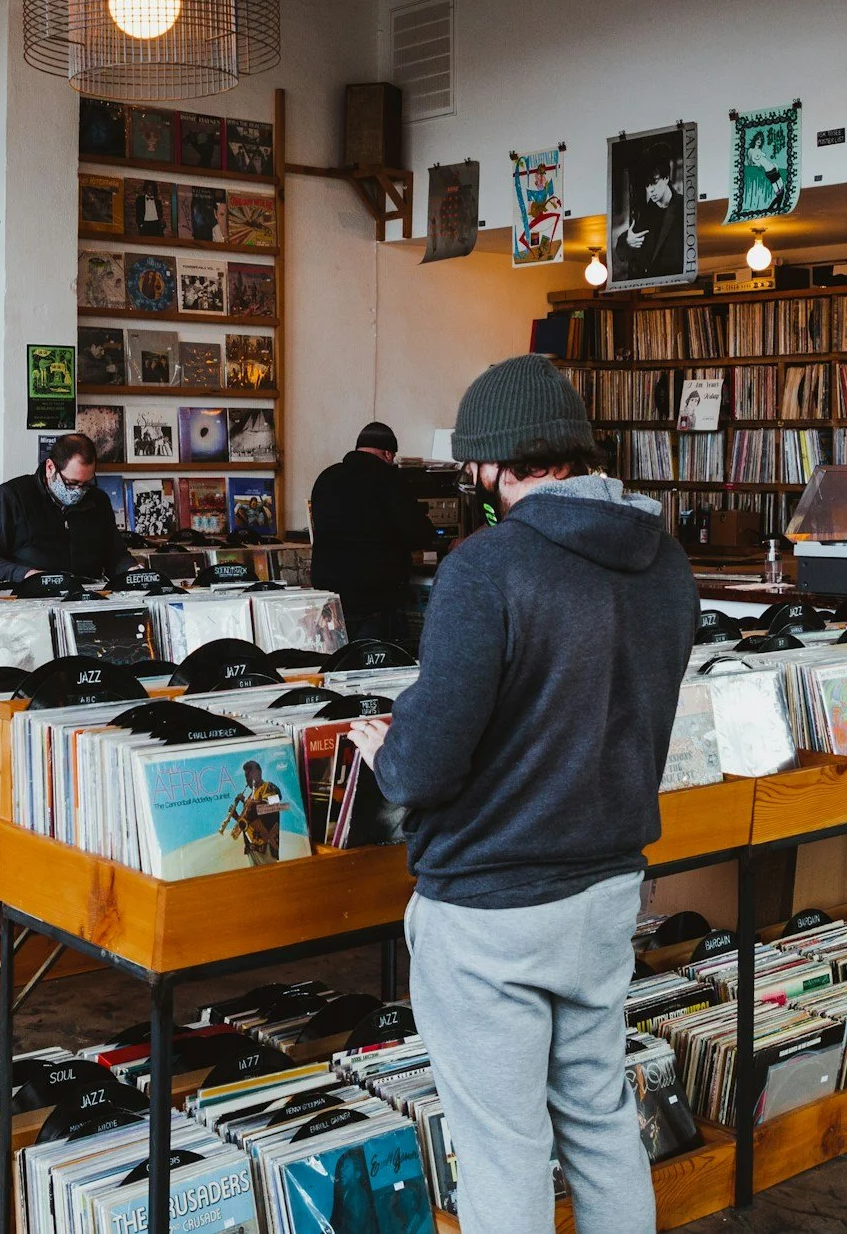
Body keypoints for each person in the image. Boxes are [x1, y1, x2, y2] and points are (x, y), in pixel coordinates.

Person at [348, 355, 696, 1234]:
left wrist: (391, 751)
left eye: (472, 469)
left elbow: (428, 767)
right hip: (609, 888)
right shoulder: (664, 562)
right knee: (602, 1118)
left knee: (503, 1148)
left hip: (490, 907)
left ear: (495, 463)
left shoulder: (487, 566)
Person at [307, 422, 431, 647]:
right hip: (376, 600)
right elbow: (419, 535)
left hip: (330, 601)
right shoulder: (390, 480)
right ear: (388, 454)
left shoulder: (326, 478)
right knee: (377, 669)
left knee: (339, 669)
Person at [0, 433, 126, 582]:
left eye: (86, 484)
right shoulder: (12, 496)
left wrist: (131, 570)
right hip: (28, 596)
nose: (79, 491)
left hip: (86, 594)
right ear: (50, 468)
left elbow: (116, 555)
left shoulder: (98, 500)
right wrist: (26, 575)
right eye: (71, 483)